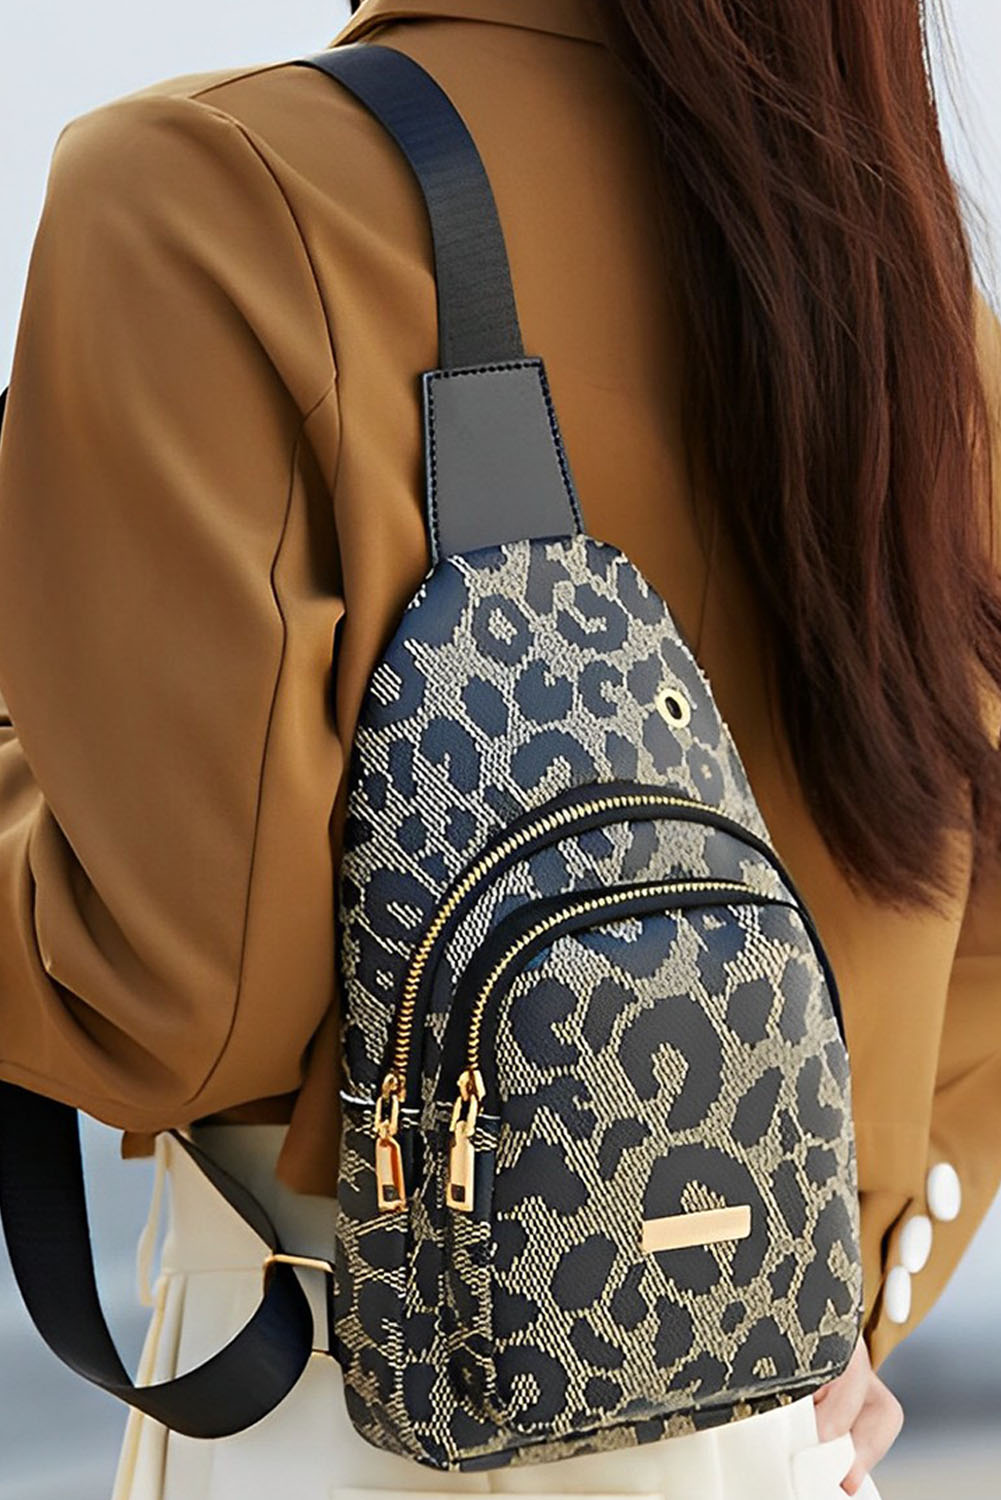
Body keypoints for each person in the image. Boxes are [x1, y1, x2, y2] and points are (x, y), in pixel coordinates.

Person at [0, 0, 999, 1495]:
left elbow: (171, 1006)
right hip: (779, 1409)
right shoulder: (900, 300)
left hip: (373, 1408)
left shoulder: (207, 191)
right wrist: (837, 1285)